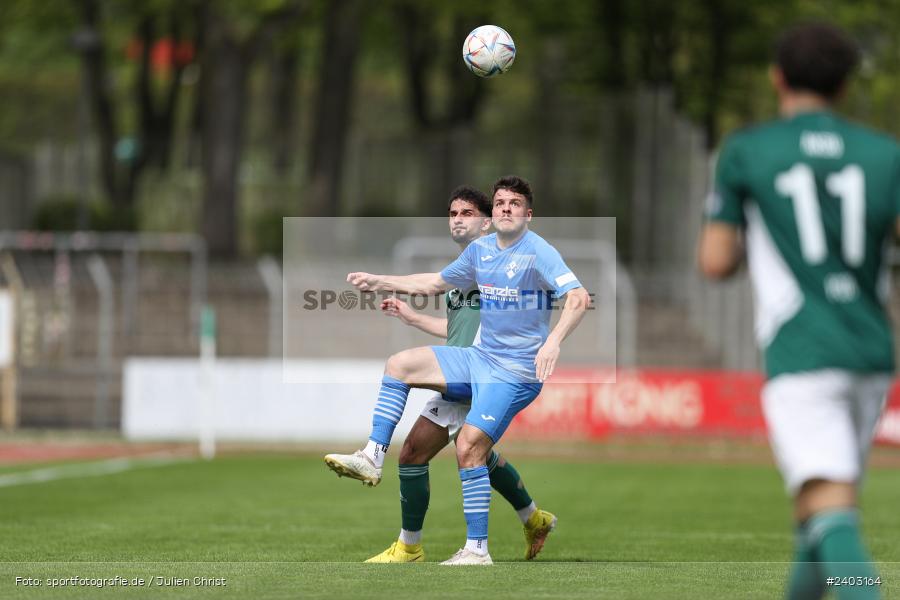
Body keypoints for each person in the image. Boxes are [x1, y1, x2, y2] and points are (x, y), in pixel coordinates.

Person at [698, 22, 894, 599]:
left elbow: (715, 261)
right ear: (845, 85)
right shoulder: (886, 155)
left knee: (832, 511)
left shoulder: (749, 151)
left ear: (777, 77)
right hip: (871, 350)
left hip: (802, 346)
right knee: (817, 512)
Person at [327, 175, 591, 565]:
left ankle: (477, 550)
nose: (504, 208)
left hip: (514, 372)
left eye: (513, 203)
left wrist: (552, 342)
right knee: (399, 366)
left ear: (528, 214)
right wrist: (381, 281)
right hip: (477, 359)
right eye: (500, 201)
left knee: (470, 448)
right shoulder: (480, 251)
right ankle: (372, 456)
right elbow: (434, 283)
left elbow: (579, 297)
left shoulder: (539, 252)